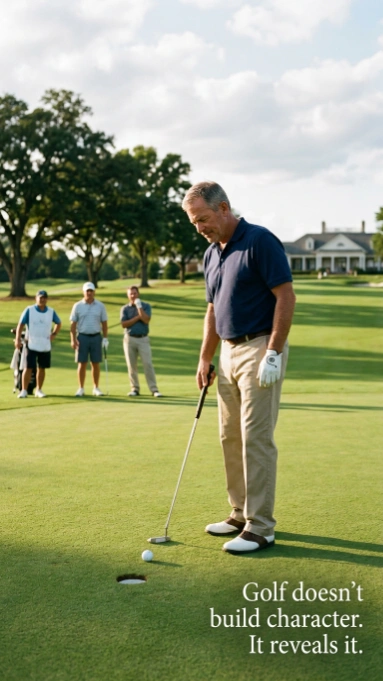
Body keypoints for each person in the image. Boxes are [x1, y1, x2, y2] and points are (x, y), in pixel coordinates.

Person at [182, 181, 296, 554]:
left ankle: (261, 527)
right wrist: (205, 356)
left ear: (224, 207)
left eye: (203, 219)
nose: (200, 228)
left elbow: (285, 296)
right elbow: (213, 309)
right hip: (228, 353)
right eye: (194, 223)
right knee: (229, 436)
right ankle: (240, 512)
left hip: (260, 347)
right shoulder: (212, 254)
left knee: (255, 437)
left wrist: (274, 353)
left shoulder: (260, 241)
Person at [14, 290, 61, 398]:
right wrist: (17, 340)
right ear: (36, 298)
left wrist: (54, 334)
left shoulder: (51, 311)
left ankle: (39, 390)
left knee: (42, 367)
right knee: (28, 367)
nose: (42, 299)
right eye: (40, 297)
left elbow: (58, 323)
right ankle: (24, 390)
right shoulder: (29, 310)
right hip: (31, 342)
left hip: (44, 343)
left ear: (46, 299)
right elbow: (20, 325)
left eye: (44, 297)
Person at [120, 286, 162, 397]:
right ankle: (135, 389)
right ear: (128, 296)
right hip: (129, 338)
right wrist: (137, 318)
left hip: (143, 338)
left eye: (135, 293)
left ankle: (154, 389)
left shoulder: (146, 306)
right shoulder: (125, 309)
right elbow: (124, 324)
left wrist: (139, 308)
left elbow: (146, 319)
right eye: (131, 294)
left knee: (148, 364)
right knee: (131, 365)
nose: (133, 296)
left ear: (138, 294)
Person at [69, 282, 108, 397]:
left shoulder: (100, 306)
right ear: (83, 292)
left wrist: (105, 338)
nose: (89, 293)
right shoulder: (77, 306)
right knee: (82, 363)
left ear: (94, 292)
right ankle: (81, 388)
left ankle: (96, 387)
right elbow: (73, 325)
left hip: (96, 336)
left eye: (91, 291)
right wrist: (72, 339)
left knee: (95, 363)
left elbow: (104, 323)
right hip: (82, 337)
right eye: (87, 291)